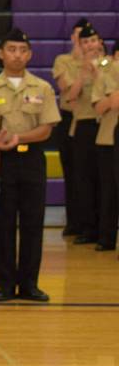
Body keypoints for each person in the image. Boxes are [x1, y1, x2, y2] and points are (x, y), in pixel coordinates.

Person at [0, 28, 60, 302]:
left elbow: (46, 129)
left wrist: (19, 138)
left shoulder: (42, 87)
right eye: (11, 49)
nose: (17, 55)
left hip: (32, 159)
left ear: (29, 55)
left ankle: (29, 284)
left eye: (22, 50)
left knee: (32, 222)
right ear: (1, 53)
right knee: (3, 223)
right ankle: (5, 285)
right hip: (2, 160)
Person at [64, 24, 105, 245]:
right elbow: (70, 96)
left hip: (105, 125)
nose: (90, 45)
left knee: (105, 179)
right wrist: (83, 72)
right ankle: (88, 227)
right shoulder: (74, 67)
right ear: (80, 45)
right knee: (84, 178)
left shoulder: (110, 64)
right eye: (86, 42)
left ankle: (106, 227)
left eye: (93, 41)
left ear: (100, 42)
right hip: (84, 124)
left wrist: (98, 70)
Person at [52, 17, 88, 236]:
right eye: (78, 35)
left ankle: (93, 222)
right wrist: (83, 72)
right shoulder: (63, 60)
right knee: (72, 172)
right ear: (73, 37)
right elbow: (66, 88)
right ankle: (74, 222)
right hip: (68, 118)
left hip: (90, 120)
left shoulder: (99, 61)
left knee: (91, 173)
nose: (82, 40)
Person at [91, 40, 119, 251]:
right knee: (109, 191)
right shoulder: (104, 77)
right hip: (108, 139)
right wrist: (113, 98)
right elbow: (98, 107)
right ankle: (106, 237)